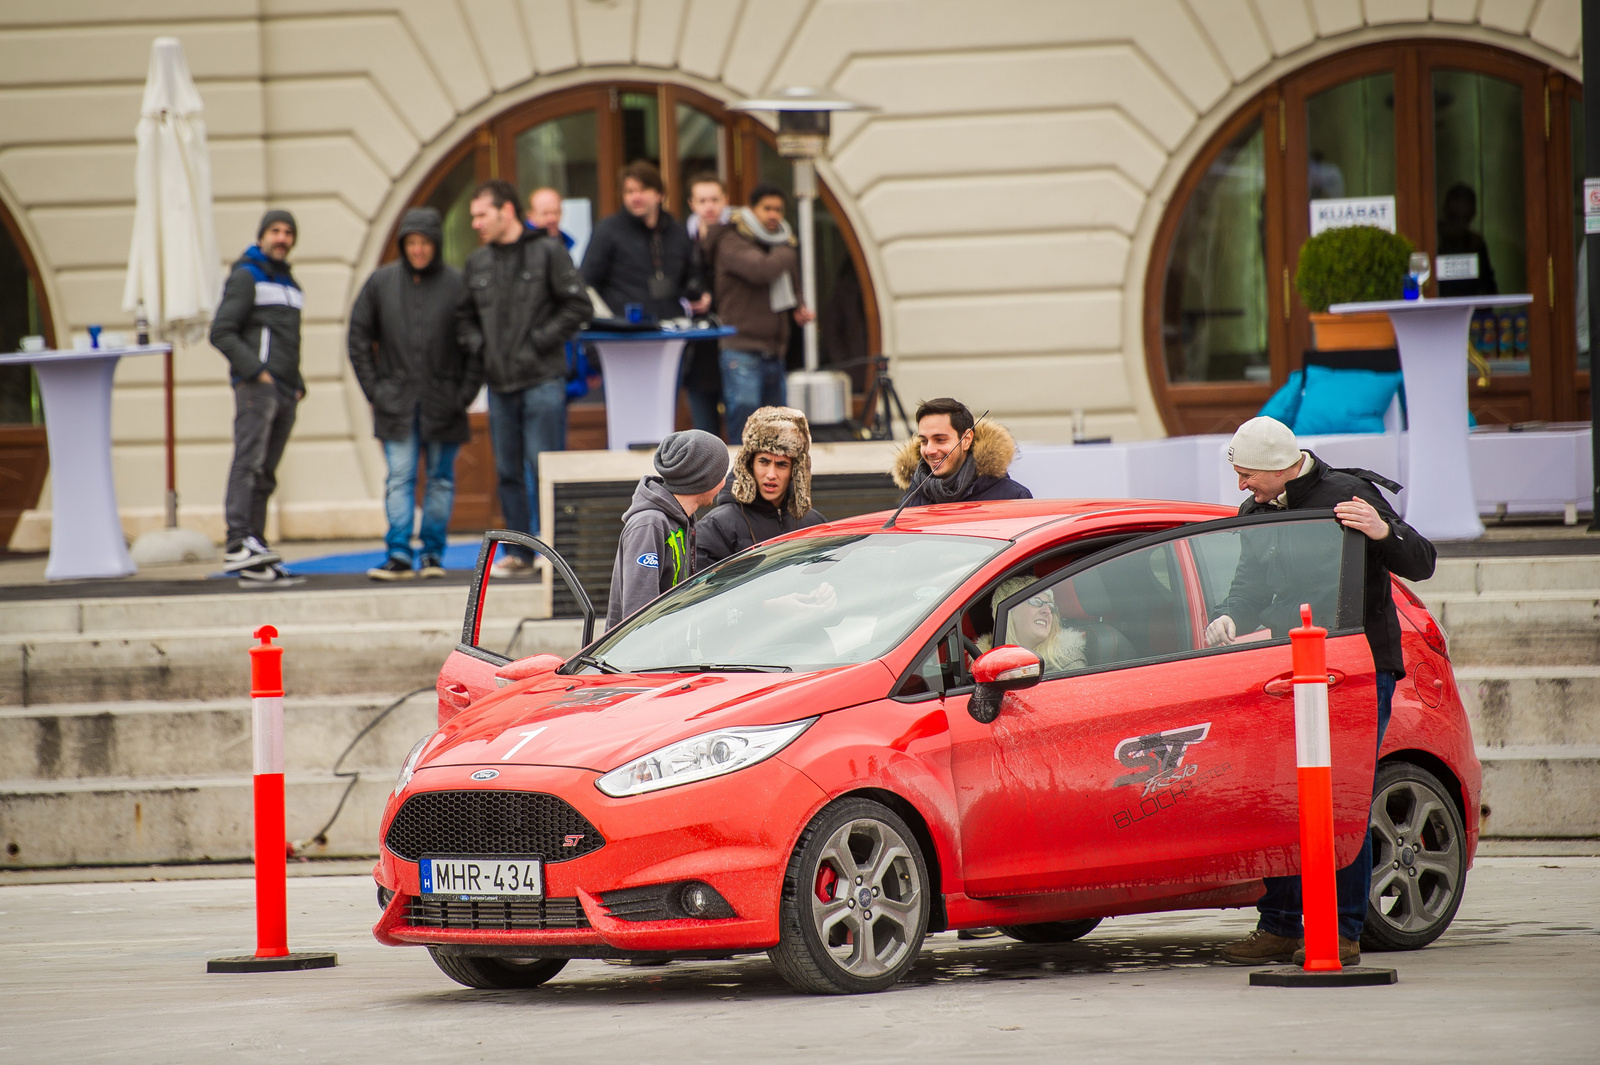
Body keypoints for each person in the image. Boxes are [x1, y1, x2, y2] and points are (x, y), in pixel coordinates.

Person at [1211, 416, 1437, 967]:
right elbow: (1250, 582)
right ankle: (1283, 924)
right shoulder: (1257, 511)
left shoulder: (1349, 495)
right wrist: (1228, 617)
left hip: (1355, 669)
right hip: (1286, 664)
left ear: (1276, 467)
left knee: (1341, 797)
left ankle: (1342, 930)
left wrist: (1384, 531)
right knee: (1281, 795)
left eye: (1246, 476)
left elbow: (1421, 561)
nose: (1241, 487)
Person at [457, 179, 592, 576]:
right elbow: (464, 318)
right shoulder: (477, 262)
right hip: (499, 384)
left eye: (482, 215)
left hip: (542, 380)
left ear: (507, 211)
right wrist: (481, 347)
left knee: (544, 468)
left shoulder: (547, 251)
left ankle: (556, 555)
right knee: (508, 472)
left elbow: (577, 305)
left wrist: (538, 342)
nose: (476, 223)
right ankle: (520, 554)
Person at [347, 207, 481, 580]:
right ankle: (399, 553)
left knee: (441, 479)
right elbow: (357, 337)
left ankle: (433, 554)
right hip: (397, 403)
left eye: (424, 243)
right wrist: (375, 390)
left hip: (445, 403)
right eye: (411, 243)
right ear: (403, 245)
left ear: (435, 244)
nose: (418, 250)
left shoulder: (457, 284)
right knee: (399, 477)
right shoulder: (380, 283)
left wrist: (464, 394)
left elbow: (475, 345)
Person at [210, 209, 305, 584]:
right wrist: (257, 373)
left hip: (285, 390)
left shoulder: (291, 284)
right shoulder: (246, 276)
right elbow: (222, 331)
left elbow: (289, 342)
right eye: (275, 231)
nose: (282, 238)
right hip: (257, 387)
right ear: (262, 236)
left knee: (266, 473)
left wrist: (297, 384)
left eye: (288, 232)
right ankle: (237, 542)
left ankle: (256, 545)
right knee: (248, 463)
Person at [703, 183, 814, 441]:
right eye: (767, 208)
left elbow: (789, 277)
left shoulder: (776, 243)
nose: (774, 215)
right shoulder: (731, 240)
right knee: (744, 423)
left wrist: (798, 305)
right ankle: (737, 478)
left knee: (775, 431)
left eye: (778, 209)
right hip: (741, 349)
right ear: (752, 210)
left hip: (774, 349)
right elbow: (762, 270)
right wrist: (789, 249)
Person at [606, 429, 729, 631]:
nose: (724, 482)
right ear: (705, 478)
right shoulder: (649, 524)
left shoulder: (682, 519)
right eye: (721, 473)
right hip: (642, 659)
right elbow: (639, 613)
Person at [696, 406, 826, 569]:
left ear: (795, 471)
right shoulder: (716, 526)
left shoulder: (814, 523)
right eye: (764, 462)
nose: (771, 474)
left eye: (782, 465)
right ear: (749, 464)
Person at [581, 160, 700, 323]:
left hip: (671, 331)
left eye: (643, 190)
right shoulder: (607, 231)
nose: (636, 197)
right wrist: (607, 321)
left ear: (660, 195)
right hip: (624, 333)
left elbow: (692, 276)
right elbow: (587, 283)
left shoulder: (677, 231)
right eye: (629, 192)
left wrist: (701, 293)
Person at [891, 397, 1032, 506]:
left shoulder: (1013, 497)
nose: (929, 450)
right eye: (924, 441)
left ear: (966, 440)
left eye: (940, 439)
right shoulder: (913, 499)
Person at [682, 173, 728, 436]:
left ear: (725, 201)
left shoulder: (737, 236)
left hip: (733, 344)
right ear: (692, 204)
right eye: (702, 200)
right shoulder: (683, 241)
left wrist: (715, 298)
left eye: (714, 199)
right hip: (697, 349)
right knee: (704, 433)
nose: (709, 206)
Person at [977, 576, 1087, 672]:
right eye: (1036, 602)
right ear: (1009, 612)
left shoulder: (1068, 664)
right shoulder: (984, 665)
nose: (1047, 611)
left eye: (1050, 606)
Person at [526, 186, 575, 252]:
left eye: (556, 212)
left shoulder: (565, 241)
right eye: (545, 213)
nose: (552, 219)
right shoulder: (524, 246)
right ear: (530, 215)